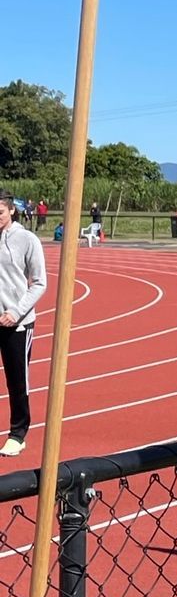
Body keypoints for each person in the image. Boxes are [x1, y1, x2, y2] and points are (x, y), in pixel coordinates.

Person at [0, 191, 47, 458]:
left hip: (16, 324)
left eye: (0, 213)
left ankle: (18, 434)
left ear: (12, 211)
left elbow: (39, 283)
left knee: (17, 380)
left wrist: (15, 312)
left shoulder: (27, 240)